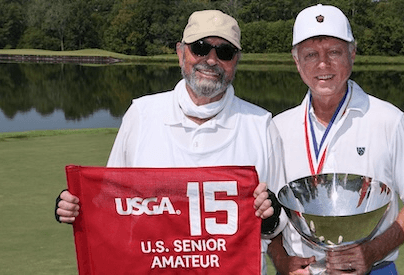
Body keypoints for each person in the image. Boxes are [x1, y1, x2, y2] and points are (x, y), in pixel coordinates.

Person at [55, 10, 287, 275]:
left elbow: (278, 222)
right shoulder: (142, 114)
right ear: (181, 52)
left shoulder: (261, 124)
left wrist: (269, 217)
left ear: (236, 61)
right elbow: (113, 203)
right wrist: (77, 206)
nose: (211, 60)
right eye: (200, 48)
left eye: (224, 53)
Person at [268, 4, 404, 275]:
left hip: (375, 269)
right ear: (296, 61)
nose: (323, 64)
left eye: (334, 52)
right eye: (311, 54)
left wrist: (372, 252)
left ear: (352, 53)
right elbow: (268, 212)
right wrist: (280, 258)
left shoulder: (389, 121)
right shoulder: (277, 128)